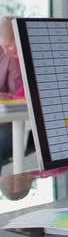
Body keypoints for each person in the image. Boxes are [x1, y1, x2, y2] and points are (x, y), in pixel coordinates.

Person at [0, 16, 24, 169]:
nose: (12, 49)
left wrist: (7, 98)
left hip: (13, 120)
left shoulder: (14, 59)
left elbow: (19, 98)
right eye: (7, 46)